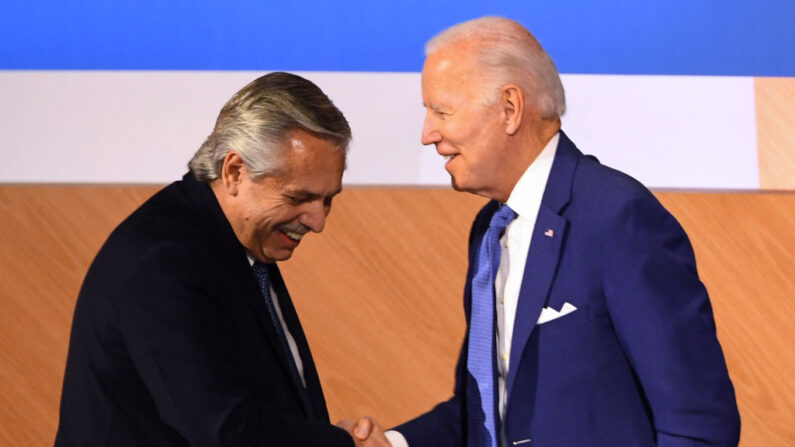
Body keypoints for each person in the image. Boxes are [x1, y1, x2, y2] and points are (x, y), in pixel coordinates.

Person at [353, 16, 741, 447]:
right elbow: (487, 409)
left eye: (442, 111)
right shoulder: (488, 230)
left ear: (510, 109)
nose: (428, 134)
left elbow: (698, 424)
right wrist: (392, 443)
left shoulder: (616, 218)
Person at [55, 72, 373, 446]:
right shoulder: (163, 262)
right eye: (298, 198)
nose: (317, 222)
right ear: (235, 171)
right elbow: (223, 428)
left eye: (327, 200)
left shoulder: (239, 246)